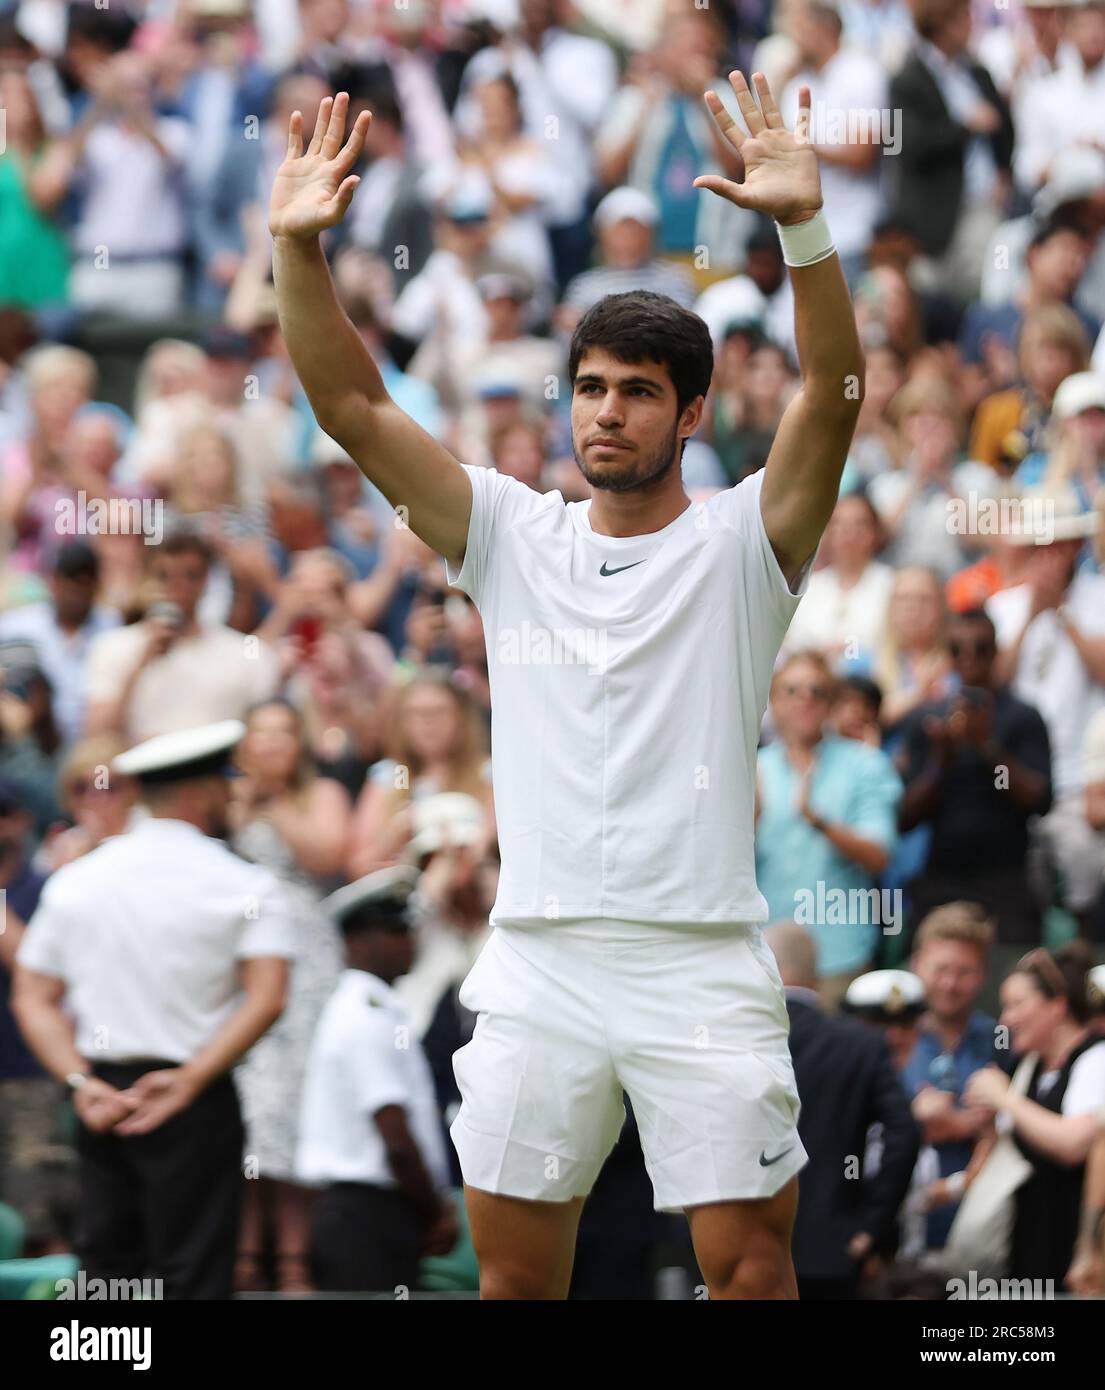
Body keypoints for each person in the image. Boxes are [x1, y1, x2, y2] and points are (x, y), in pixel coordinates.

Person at [270, 78, 864, 1300]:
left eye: (639, 390)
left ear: (691, 412)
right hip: (537, 957)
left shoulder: (748, 542)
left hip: (700, 960)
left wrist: (804, 234)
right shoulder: (505, 531)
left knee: (752, 1270)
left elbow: (833, 400)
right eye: (591, 385)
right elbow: (352, 404)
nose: (607, 411)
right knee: (515, 1282)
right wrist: (296, 247)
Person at [11, 720, 294, 1299]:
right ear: (200, 793)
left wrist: (79, 1081)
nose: (232, 795)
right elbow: (268, 997)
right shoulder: (245, 883)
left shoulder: (79, 879)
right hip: (193, 1099)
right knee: (194, 1279)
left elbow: (32, 996)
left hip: (103, 1101)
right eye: (225, 783)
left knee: (109, 1280)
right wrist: (191, 1080)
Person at [228, 699, 352, 1294]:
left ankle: (296, 1261)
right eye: (261, 734)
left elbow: (329, 856)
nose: (273, 745)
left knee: (300, 1101)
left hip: (307, 959)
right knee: (252, 1105)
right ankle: (247, 1256)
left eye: (284, 733)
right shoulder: (226, 798)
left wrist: (275, 802)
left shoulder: (318, 794)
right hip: (243, 955)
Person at [296, 865, 457, 1293]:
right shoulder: (365, 1013)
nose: (410, 940)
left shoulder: (377, 1008)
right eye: (394, 930)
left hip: (375, 1213)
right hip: (367, 1216)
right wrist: (434, 1212)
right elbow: (396, 1139)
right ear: (358, 940)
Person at [766, 921, 919, 1298]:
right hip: (832, 1252)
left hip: (741, 1245)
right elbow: (905, 1133)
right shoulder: (858, 1045)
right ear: (815, 976)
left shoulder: (729, 1040)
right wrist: (869, 1227)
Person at [897, 607, 1053, 951]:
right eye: (957, 649)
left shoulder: (1023, 716)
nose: (969, 659)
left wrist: (988, 748)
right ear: (947, 654)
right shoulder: (928, 719)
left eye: (980, 648)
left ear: (995, 652)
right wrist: (942, 763)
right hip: (943, 877)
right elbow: (906, 818)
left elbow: (1037, 801)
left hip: (1007, 878)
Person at [756, 651, 903, 1006]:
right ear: (773, 701)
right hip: (763, 956)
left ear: (831, 703)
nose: (804, 700)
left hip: (839, 956)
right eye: (791, 690)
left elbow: (879, 856)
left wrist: (819, 821)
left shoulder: (866, 764)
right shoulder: (752, 768)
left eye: (816, 691)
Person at [963, 944, 1105, 1284]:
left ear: (1057, 1005)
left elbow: (1075, 1144)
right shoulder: (1026, 1068)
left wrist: (1006, 1100)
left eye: (1017, 1004)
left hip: (1076, 1260)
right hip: (1025, 1253)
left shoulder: (1096, 1058)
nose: (1005, 1019)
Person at [84, 529, 281, 742]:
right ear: (146, 577)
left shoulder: (247, 653)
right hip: (141, 768)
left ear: (207, 580)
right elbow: (96, 736)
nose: (178, 587)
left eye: (191, 576)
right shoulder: (112, 647)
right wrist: (141, 663)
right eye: (163, 575)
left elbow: (265, 736)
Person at [899, 902, 1001, 1251]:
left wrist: (967, 1125)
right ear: (916, 966)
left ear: (984, 974)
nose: (950, 983)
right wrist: (913, 1119)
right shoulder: (887, 1040)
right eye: (940, 969)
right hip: (898, 1235)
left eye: (965, 972)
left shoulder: (1001, 1042)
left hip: (980, 1239)